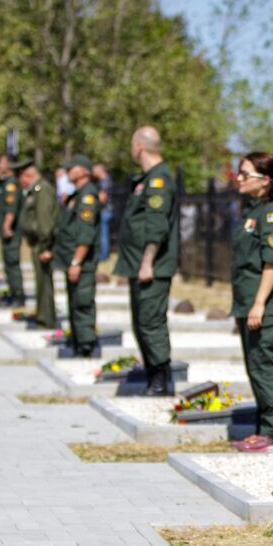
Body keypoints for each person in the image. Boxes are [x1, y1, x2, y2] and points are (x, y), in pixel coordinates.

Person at [229, 152, 273, 453]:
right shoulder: (252, 212)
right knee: (254, 365)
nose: (238, 178)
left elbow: (272, 263)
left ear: (264, 180)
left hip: (263, 305)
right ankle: (263, 426)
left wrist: (259, 304)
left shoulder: (272, 214)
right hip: (248, 303)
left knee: (265, 365)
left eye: (245, 173)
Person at [114, 127, 180, 395]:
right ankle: (152, 373)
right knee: (141, 320)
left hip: (151, 266)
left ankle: (160, 379)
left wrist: (147, 262)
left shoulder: (158, 180)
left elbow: (156, 225)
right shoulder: (147, 178)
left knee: (151, 321)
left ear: (140, 146)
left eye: (132, 143)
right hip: (139, 264)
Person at [53, 155, 101, 356]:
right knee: (74, 302)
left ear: (83, 171)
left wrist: (76, 261)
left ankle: (86, 345)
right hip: (72, 260)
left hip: (81, 262)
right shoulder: (77, 195)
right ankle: (77, 341)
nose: (67, 172)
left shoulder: (87, 196)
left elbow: (85, 233)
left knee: (82, 302)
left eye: (72, 168)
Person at [19, 161, 60, 329]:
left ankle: (46, 319)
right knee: (40, 282)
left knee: (44, 283)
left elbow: (45, 222)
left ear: (28, 175)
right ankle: (42, 316)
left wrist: (45, 246)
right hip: (37, 243)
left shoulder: (42, 190)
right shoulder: (35, 190)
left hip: (43, 245)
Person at [0, 158, 25, 307]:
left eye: (1, 163)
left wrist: (7, 226)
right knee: (8, 262)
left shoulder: (12, 184)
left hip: (12, 230)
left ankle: (18, 295)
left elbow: (11, 208)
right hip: (7, 230)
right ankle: (13, 292)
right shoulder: (5, 182)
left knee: (12, 261)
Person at [93, 162, 113, 261]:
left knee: (103, 235)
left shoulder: (104, 181)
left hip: (104, 211)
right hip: (107, 210)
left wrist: (94, 204)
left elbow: (102, 198)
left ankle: (103, 256)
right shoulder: (107, 180)